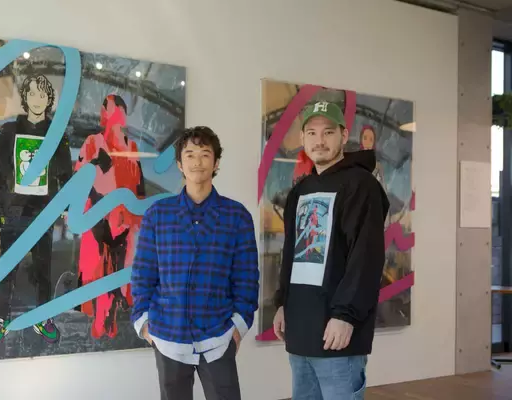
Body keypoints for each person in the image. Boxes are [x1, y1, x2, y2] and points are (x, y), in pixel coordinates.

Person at [130, 126, 259, 400]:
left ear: (216, 162)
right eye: (189, 155)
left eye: (204, 154)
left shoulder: (237, 216)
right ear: (180, 164)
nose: (197, 162)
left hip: (218, 335)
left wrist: (238, 327)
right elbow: (143, 274)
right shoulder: (158, 215)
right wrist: (144, 324)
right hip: (168, 335)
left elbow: (247, 278)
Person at [272, 101, 389, 399]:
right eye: (311, 133)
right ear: (302, 138)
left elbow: (366, 257)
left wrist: (346, 316)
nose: (319, 140)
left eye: (328, 132)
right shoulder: (300, 190)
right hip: (301, 328)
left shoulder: (361, 185)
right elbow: (291, 253)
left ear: (343, 135)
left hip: (338, 332)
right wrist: (283, 303)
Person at [0, 74, 73, 349]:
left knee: (43, 269)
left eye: (42, 95)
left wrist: (66, 206)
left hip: (42, 211)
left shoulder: (57, 134)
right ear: (25, 97)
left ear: (49, 100)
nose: (37, 99)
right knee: (6, 269)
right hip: (13, 211)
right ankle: (1, 320)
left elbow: (65, 173)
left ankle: (42, 318)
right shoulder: (9, 131)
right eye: (32, 93)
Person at [75, 93, 145, 338]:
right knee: (98, 268)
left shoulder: (132, 148)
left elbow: (139, 186)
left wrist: (138, 218)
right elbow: (80, 175)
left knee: (119, 270)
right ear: (103, 114)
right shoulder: (93, 142)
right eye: (109, 109)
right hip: (99, 215)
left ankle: (110, 318)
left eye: (118, 110)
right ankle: (100, 319)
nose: (113, 114)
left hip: (125, 221)